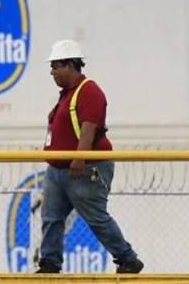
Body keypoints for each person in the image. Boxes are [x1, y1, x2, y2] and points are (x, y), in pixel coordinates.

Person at [35, 39, 144, 274]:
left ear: (70, 65)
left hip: (83, 169)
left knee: (96, 218)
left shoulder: (89, 91)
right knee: (51, 217)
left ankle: (127, 259)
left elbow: (89, 126)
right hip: (57, 171)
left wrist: (80, 157)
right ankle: (50, 263)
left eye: (56, 66)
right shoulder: (67, 94)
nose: (52, 72)